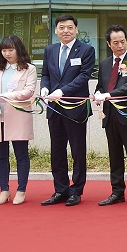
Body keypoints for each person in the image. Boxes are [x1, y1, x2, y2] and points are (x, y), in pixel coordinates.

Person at [40, 14, 95, 207]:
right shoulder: (50, 50)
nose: (66, 31)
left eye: (70, 27)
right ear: (56, 30)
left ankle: (76, 190)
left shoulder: (86, 50)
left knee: (77, 151)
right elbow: (45, 74)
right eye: (62, 27)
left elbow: (84, 76)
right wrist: (44, 88)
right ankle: (60, 190)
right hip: (54, 108)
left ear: (76, 30)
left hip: (75, 108)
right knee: (57, 150)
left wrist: (62, 91)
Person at [95, 24, 127, 207]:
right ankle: (117, 191)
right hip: (110, 115)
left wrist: (108, 95)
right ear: (109, 44)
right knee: (114, 154)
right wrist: (98, 94)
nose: (120, 45)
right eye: (115, 42)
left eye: (123, 41)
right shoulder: (104, 64)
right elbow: (101, 86)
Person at [0, 35, 36, 205]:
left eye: (10, 50)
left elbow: (29, 91)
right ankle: (4, 190)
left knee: (21, 154)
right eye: (4, 50)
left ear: (18, 50)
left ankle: (21, 189)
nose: (7, 53)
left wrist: (9, 95)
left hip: (18, 115)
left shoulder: (29, 68)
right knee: (0, 155)